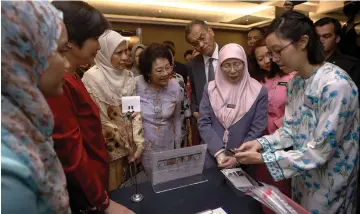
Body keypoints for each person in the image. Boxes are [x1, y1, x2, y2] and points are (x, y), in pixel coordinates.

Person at [236, 11, 359, 213]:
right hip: (302, 175)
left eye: (277, 51)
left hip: (330, 183)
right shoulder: (295, 83)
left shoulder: (336, 85)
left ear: (302, 42)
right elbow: (290, 130)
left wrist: (263, 158)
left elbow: (320, 150)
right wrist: (260, 143)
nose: (273, 59)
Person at [46, 2, 133, 213]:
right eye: (95, 38)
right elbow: (71, 154)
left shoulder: (73, 76)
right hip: (85, 194)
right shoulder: (59, 84)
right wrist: (103, 203)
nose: (99, 46)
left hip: (94, 182)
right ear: (70, 43)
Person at [1, 1, 70, 213]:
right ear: (26, 53)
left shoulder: (24, 120)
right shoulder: (8, 171)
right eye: (60, 51)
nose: (67, 64)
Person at [82, 30, 145, 191]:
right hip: (108, 150)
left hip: (131, 148)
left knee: (131, 190)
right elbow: (100, 119)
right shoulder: (92, 78)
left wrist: (138, 142)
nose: (125, 57)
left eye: (126, 51)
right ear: (104, 53)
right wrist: (126, 145)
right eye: (118, 53)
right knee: (112, 192)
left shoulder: (129, 77)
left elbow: (134, 112)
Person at [198, 43, 268, 169]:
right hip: (211, 156)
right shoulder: (210, 88)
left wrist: (238, 158)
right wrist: (219, 153)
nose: (232, 70)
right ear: (220, 66)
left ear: (244, 64)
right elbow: (204, 123)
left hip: (244, 160)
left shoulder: (259, 91)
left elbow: (257, 128)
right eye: (227, 65)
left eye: (237, 64)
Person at [248, 38, 294, 214]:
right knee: (263, 183)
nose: (266, 61)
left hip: (285, 140)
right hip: (259, 140)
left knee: (283, 185)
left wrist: (277, 124)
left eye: (268, 55)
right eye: (260, 59)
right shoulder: (256, 81)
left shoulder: (291, 76)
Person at [136, 43, 183, 171]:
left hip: (167, 143)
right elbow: (130, 118)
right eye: (159, 70)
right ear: (148, 72)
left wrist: (178, 147)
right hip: (144, 146)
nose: (166, 73)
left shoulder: (175, 87)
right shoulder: (136, 84)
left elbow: (177, 118)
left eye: (168, 68)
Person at [185, 20, 220, 146]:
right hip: (205, 124)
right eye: (195, 43)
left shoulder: (230, 55)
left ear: (210, 31)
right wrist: (195, 110)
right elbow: (193, 92)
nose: (201, 45)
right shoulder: (192, 65)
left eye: (202, 38)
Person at [315, 17, 360, 98]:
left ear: (337, 39)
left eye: (326, 36)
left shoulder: (350, 65)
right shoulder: (308, 62)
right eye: (317, 37)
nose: (320, 40)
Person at [164, 44, 192, 148]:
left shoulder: (179, 77)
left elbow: (185, 100)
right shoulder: (156, 80)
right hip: (164, 125)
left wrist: (188, 120)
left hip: (180, 121)